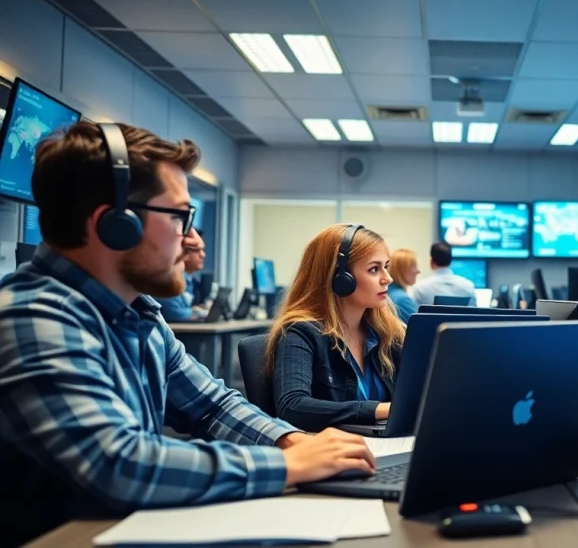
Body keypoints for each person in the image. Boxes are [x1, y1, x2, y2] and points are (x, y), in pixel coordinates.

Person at [0, 123, 375, 545]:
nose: (194, 239)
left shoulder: (138, 315)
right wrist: (288, 466)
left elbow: (210, 405)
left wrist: (293, 441)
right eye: (181, 217)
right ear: (114, 225)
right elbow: (119, 463)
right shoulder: (33, 317)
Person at [269, 224, 405, 432]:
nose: (388, 278)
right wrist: (383, 410)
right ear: (341, 279)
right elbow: (292, 406)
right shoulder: (299, 333)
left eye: (386, 266)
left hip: (388, 448)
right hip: (330, 454)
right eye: (374, 269)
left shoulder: (388, 333)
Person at [153, 227, 205, 321]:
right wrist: (200, 313)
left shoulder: (191, 281)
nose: (203, 255)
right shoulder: (165, 278)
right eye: (196, 250)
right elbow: (175, 314)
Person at [407, 241, 476, 305]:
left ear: (431, 261)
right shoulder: (468, 287)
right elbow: (475, 315)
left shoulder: (419, 289)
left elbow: (412, 314)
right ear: (450, 261)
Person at [387, 248, 419, 323]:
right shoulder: (402, 300)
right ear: (403, 269)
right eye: (414, 266)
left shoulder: (389, 293)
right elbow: (422, 328)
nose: (418, 271)